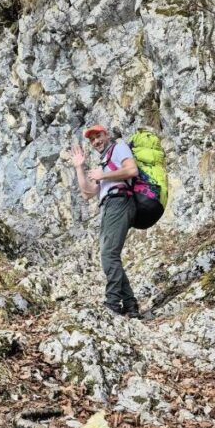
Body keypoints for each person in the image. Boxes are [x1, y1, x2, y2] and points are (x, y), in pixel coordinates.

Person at [71, 124, 141, 318]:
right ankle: (130, 305)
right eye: (92, 140)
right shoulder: (104, 162)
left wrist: (104, 175)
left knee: (108, 254)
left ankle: (113, 303)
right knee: (110, 255)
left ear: (106, 134)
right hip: (109, 206)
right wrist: (79, 167)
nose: (96, 142)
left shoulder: (119, 148)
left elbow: (132, 169)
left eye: (98, 136)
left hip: (120, 201)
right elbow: (87, 193)